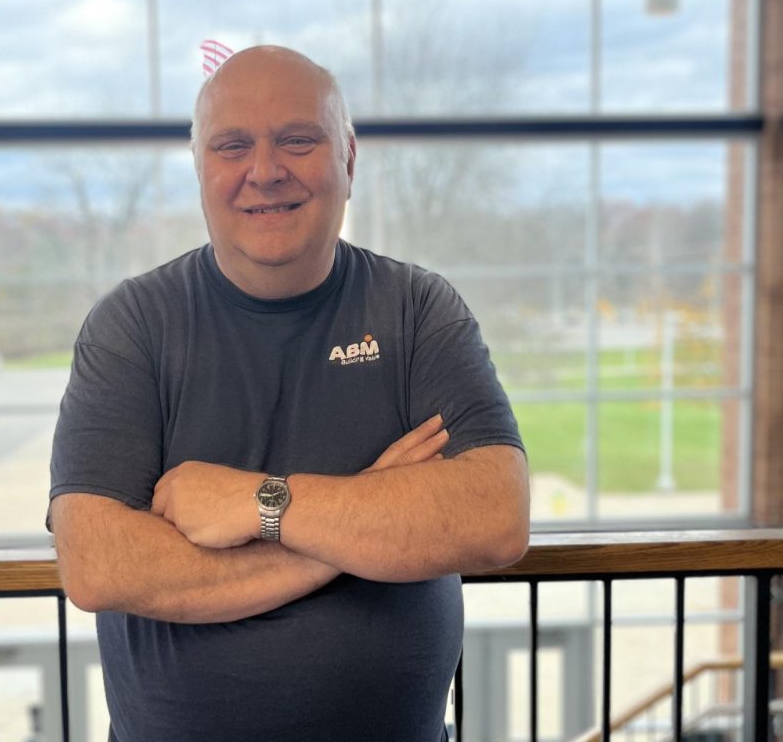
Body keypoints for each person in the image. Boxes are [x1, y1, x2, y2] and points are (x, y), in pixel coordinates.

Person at [48, 45, 529, 742]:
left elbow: (493, 516)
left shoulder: (417, 309)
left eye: (298, 141)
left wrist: (257, 502)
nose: (265, 171)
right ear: (202, 171)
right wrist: (355, 526)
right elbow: (97, 564)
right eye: (233, 145)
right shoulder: (134, 326)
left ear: (350, 161)